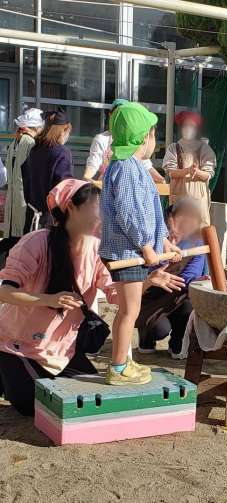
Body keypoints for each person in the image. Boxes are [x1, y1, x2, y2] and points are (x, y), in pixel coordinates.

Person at [0, 178, 185, 416]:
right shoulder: (35, 242)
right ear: (71, 207)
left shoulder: (98, 249)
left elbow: (116, 295)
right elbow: (4, 291)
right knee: (32, 405)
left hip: (60, 349)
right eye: (97, 206)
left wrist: (149, 281)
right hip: (18, 345)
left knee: (84, 401)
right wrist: (49, 300)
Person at [99, 102, 181, 386]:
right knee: (129, 311)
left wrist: (164, 243)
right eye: (153, 135)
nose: (154, 141)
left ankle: (125, 360)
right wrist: (147, 246)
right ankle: (119, 367)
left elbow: (149, 213)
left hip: (133, 247)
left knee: (128, 309)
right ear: (144, 137)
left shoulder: (130, 166)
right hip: (128, 250)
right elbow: (131, 213)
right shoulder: (126, 168)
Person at [136, 197, 209, 358]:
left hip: (179, 293)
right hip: (151, 295)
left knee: (189, 303)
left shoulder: (197, 243)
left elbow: (190, 277)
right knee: (159, 330)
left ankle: (178, 342)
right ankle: (146, 337)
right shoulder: (149, 242)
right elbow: (135, 280)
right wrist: (151, 279)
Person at [83, 98, 164, 186]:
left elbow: (146, 164)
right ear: (111, 116)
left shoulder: (134, 139)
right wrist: (87, 177)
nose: (123, 121)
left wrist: (160, 179)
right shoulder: (102, 139)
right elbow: (94, 162)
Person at [0, 109, 44, 262]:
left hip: (14, 199)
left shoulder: (15, 142)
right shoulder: (30, 143)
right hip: (25, 201)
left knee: (12, 237)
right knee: (21, 239)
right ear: (36, 127)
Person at [22, 107, 73, 233]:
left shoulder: (35, 149)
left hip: (31, 216)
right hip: (51, 220)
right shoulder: (62, 152)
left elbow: (26, 184)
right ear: (64, 130)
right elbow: (63, 188)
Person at [163, 111, 216, 226]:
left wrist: (197, 172)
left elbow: (208, 174)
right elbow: (171, 172)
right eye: (185, 125)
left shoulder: (205, 148)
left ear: (197, 129)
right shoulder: (174, 148)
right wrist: (187, 171)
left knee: (200, 230)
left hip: (199, 201)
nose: (188, 128)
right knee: (178, 230)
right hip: (179, 200)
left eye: (191, 126)